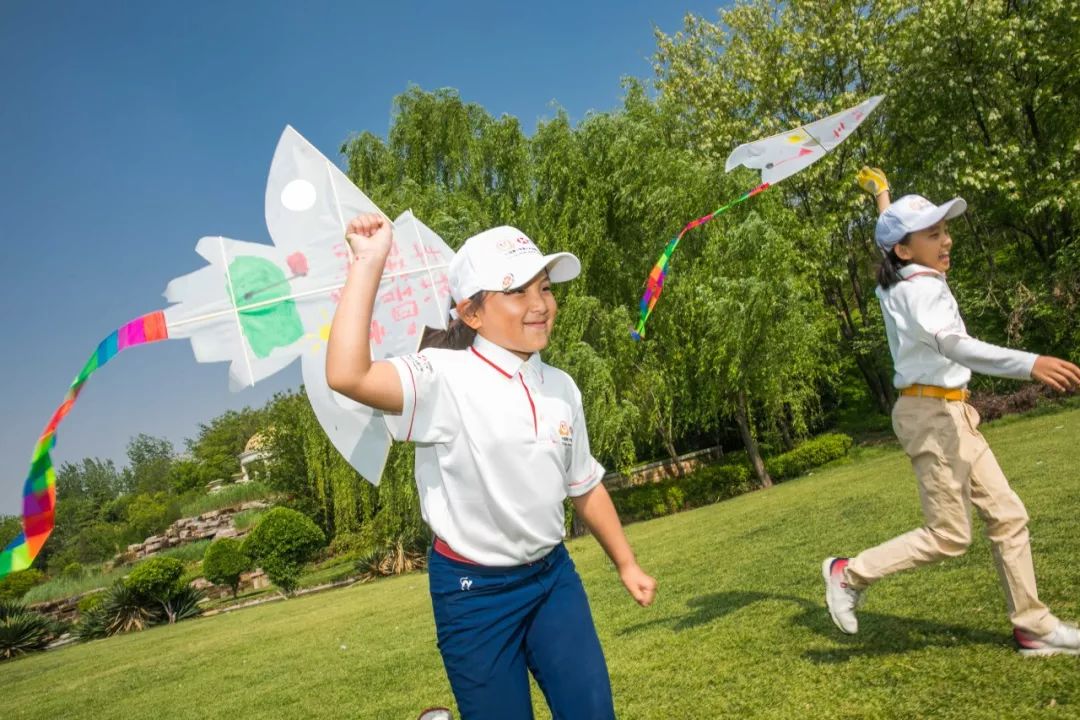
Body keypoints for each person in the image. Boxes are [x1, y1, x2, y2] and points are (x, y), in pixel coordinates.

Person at [326, 212, 657, 718]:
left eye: (544, 288)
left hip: (553, 581)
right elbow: (348, 375)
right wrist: (369, 262)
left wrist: (626, 563)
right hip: (473, 595)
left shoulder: (562, 387)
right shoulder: (442, 376)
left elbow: (584, 485)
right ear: (471, 313)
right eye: (516, 292)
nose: (540, 305)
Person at [822, 167, 1080, 656]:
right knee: (950, 535)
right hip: (931, 416)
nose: (947, 241)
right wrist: (1032, 363)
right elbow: (957, 347)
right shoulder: (923, 290)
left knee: (1007, 514)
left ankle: (1033, 627)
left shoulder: (897, 280)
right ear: (905, 249)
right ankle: (848, 573)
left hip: (953, 414)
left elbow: (894, 239)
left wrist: (883, 196)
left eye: (945, 230)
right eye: (934, 234)